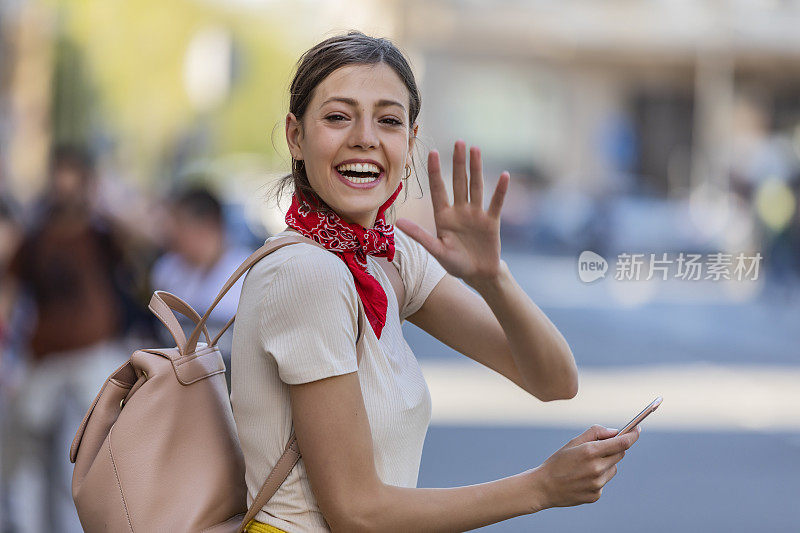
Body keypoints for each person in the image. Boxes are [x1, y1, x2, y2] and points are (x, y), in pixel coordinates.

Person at [230, 31, 641, 533]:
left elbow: (554, 381)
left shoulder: (391, 254)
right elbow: (357, 511)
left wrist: (493, 278)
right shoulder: (306, 273)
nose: (365, 137)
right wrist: (540, 487)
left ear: (410, 140)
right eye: (338, 117)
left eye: (388, 120)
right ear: (296, 135)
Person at [0, 144, 135, 532]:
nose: (64, 184)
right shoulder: (37, 237)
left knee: (77, 461)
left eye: (72, 175)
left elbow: (143, 238)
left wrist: (102, 200)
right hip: (45, 360)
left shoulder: (100, 233)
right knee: (29, 461)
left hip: (94, 359)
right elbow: (10, 289)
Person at [150, 184, 252, 387]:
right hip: (184, 389)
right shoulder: (167, 271)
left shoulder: (249, 272)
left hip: (236, 388)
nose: (172, 235)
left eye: (179, 225)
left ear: (208, 225)